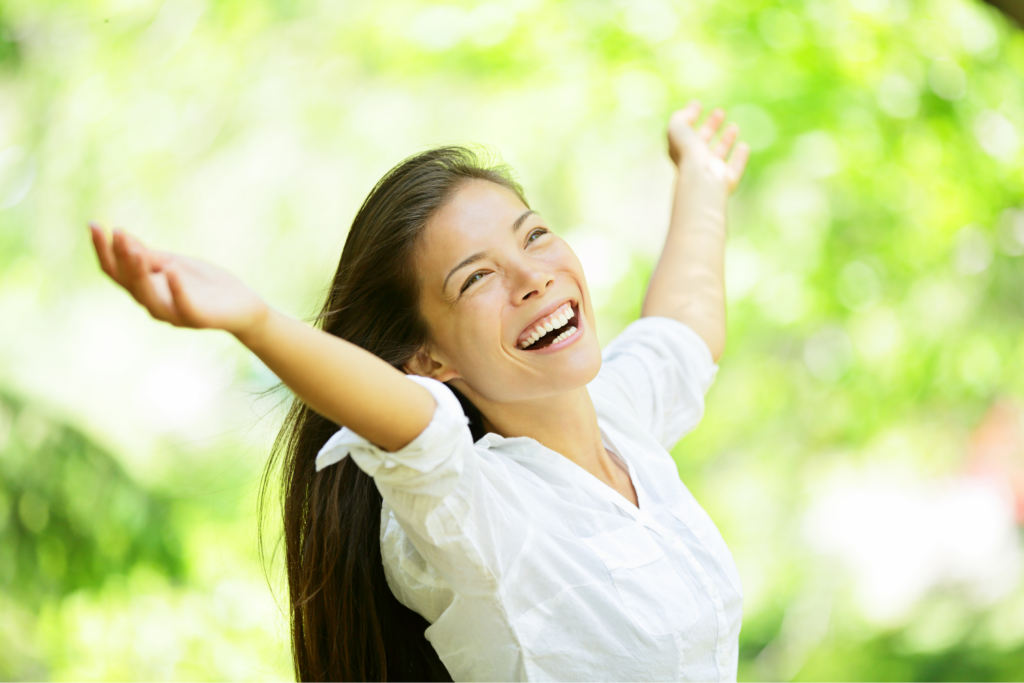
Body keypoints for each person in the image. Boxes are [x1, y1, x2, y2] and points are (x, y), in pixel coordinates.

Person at [89, 99, 750, 682]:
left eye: (535, 235)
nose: (533, 277)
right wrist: (256, 323)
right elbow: (410, 425)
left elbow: (684, 325)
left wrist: (702, 175)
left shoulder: (619, 418)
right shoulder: (473, 512)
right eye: (475, 278)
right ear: (428, 358)